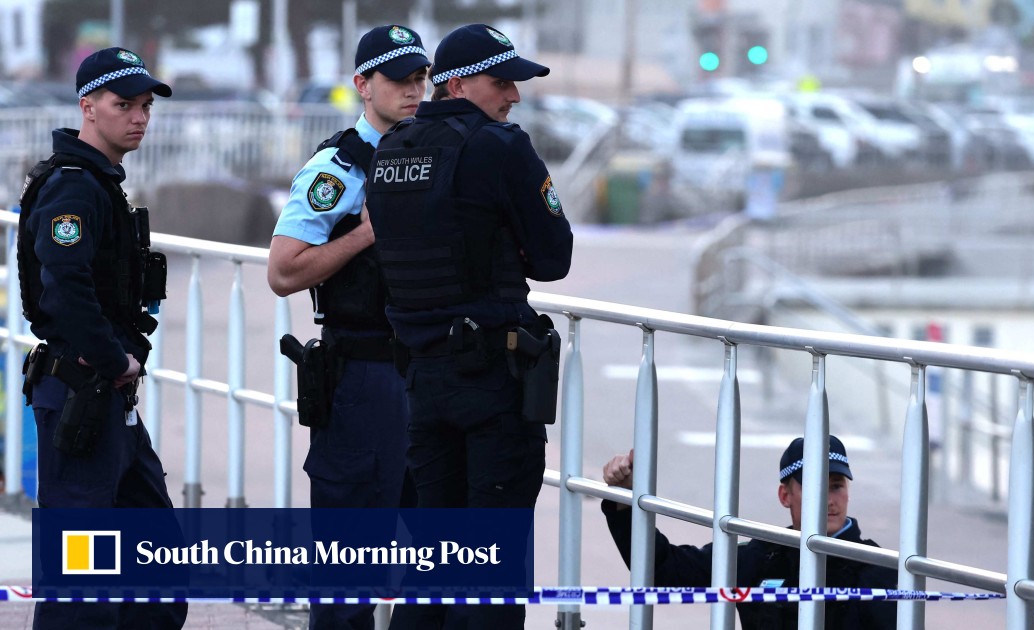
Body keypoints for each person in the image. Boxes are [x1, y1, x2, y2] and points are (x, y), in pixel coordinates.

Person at [367, 23, 573, 629]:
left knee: (433, 565)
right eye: (501, 82)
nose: (513, 96)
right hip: (492, 385)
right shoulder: (501, 147)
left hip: (422, 380)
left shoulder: (393, 148)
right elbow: (555, 258)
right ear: (457, 84)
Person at [266, 24, 430, 630]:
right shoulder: (337, 171)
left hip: (428, 374)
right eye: (398, 80)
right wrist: (365, 233)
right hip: (364, 377)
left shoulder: (432, 155)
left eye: (420, 79)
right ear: (363, 85)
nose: (413, 91)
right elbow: (283, 272)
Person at [17, 47, 186, 629]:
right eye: (124, 105)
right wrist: (116, 359)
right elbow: (64, 284)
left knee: (158, 566)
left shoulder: (98, 182)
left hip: (106, 401)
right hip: (82, 396)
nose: (139, 117)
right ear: (88, 107)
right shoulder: (74, 186)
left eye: (145, 106)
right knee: (82, 583)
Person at [602, 435, 898, 630]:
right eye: (816, 486)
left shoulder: (878, 569)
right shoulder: (762, 557)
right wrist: (624, 502)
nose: (829, 499)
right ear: (785, 496)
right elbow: (666, 571)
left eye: (836, 486)